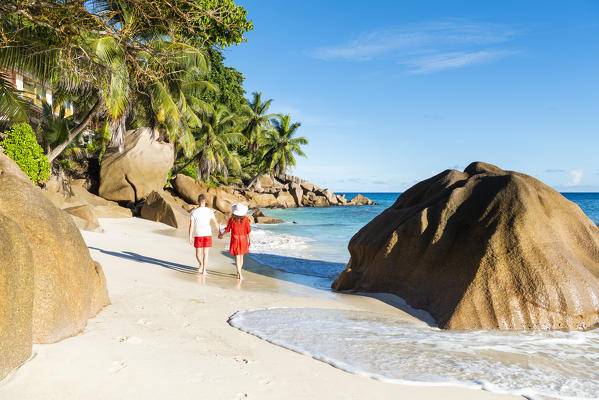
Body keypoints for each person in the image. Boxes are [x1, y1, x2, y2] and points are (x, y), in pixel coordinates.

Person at [218, 203, 251, 280]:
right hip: (243, 239)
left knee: (237, 256)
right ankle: (239, 272)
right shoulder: (246, 219)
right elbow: (248, 230)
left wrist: (221, 235)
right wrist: (250, 240)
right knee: (241, 256)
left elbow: (227, 229)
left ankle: (239, 272)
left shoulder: (232, 219)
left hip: (235, 239)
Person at [189, 194, 219, 275]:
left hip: (198, 234)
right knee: (206, 253)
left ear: (198, 201)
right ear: (205, 201)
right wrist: (219, 231)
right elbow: (215, 222)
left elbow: (191, 226)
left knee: (198, 254)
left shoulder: (194, 212)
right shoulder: (210, 211)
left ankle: (201, 264)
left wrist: (190, 236)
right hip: (207, 234)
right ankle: (204, 270)